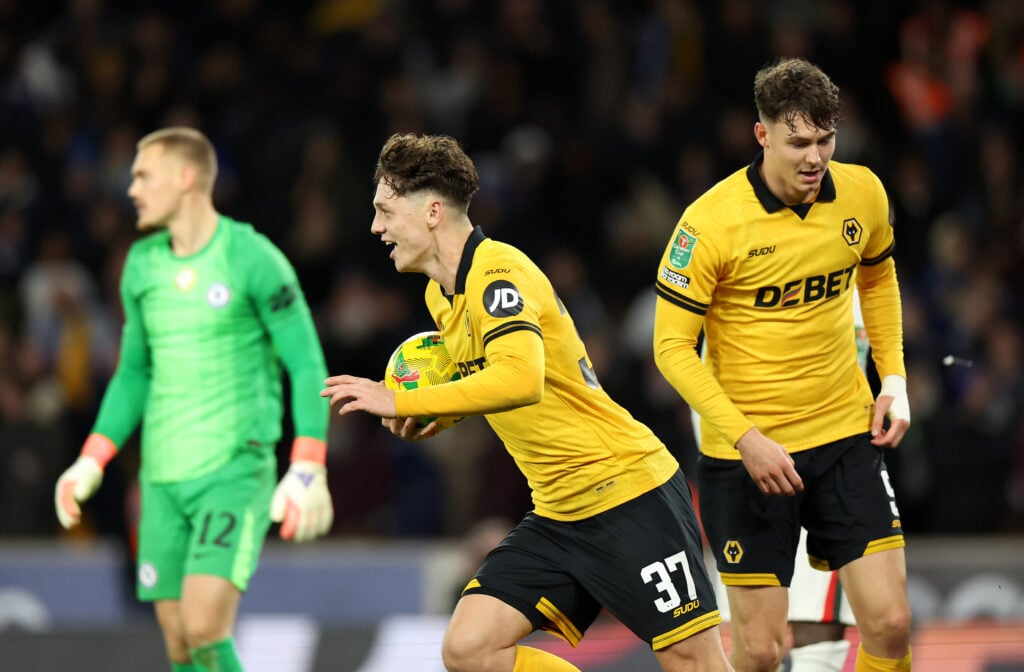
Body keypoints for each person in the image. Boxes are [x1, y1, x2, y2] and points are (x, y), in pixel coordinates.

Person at [322, 132, 734, 672]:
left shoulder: (499, 273)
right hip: (560, 512)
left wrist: (397, 402)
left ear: (432, 212)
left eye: (385, 209)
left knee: (694, 662)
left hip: (628, 490)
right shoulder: (437, 294)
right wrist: (430, 415)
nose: (376, 226)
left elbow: (520, 380)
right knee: (470, 648)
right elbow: (481, 383)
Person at [652, 58, 912, 672]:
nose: (814, 157)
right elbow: (670, 350)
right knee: (764, 652)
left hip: (845, 432)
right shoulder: (709, 224)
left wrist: (894, 378)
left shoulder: (863, 192)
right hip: (748, 454)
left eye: (825, 140)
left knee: (892, 624)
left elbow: (877, 280)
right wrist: (745, 439)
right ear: (762, 134)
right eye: (798, 142)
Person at [53, 127, 334, 672]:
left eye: (143, 175)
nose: (131, 188)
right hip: (160, 479)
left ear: (186, 178)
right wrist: (92, 459)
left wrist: (307, 464)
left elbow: (306, 364)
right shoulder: (142, 266)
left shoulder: (254, 258)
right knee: (181, 641)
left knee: (206, 625)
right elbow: (133, 373)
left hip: (232, 470)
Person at [699, 290, 871, 672]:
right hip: (744, 471)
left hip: (825, 469)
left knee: (818, 622)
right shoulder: (738, 266)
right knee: (756, 646)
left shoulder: (859, 282)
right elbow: (697, 372)